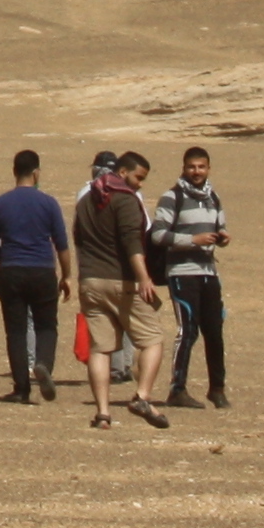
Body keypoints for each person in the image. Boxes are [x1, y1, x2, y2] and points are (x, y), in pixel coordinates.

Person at [68, 150, 171, 430]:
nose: (140, 184)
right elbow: (132, 243)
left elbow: (78, 238)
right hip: (121, 281)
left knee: (100, 348)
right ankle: (142, 396)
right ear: (123, 172)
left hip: (90, 282)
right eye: (138, 177)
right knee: (153, 339)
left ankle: (103, 414)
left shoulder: (87, 200)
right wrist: (144, 278)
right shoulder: (125, 200)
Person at [149, 145, 232, 408]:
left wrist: (223, 237)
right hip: (182, 273)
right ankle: (177, 389)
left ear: (209, 168)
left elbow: (219, 228)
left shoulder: (213, 197)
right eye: (192, 167)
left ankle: (217, 388)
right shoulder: (171, 197)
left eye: (201, 167)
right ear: (184, 168)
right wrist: (192, 240)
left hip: (208, 272)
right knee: (187, 331)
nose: (197, 172)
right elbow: (158, 234)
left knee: (214, 331)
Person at [0, 150, 69, 403]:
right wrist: (66, 275)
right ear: (36, 173)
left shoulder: (0, 203)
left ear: (14, 172)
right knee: (47, 326)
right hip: (42, 269)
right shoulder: (48, 203)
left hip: (11, 270)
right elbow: (61, 244)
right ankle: (43, 363)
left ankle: (21, 388)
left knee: (16, 331)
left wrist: (3, 258)